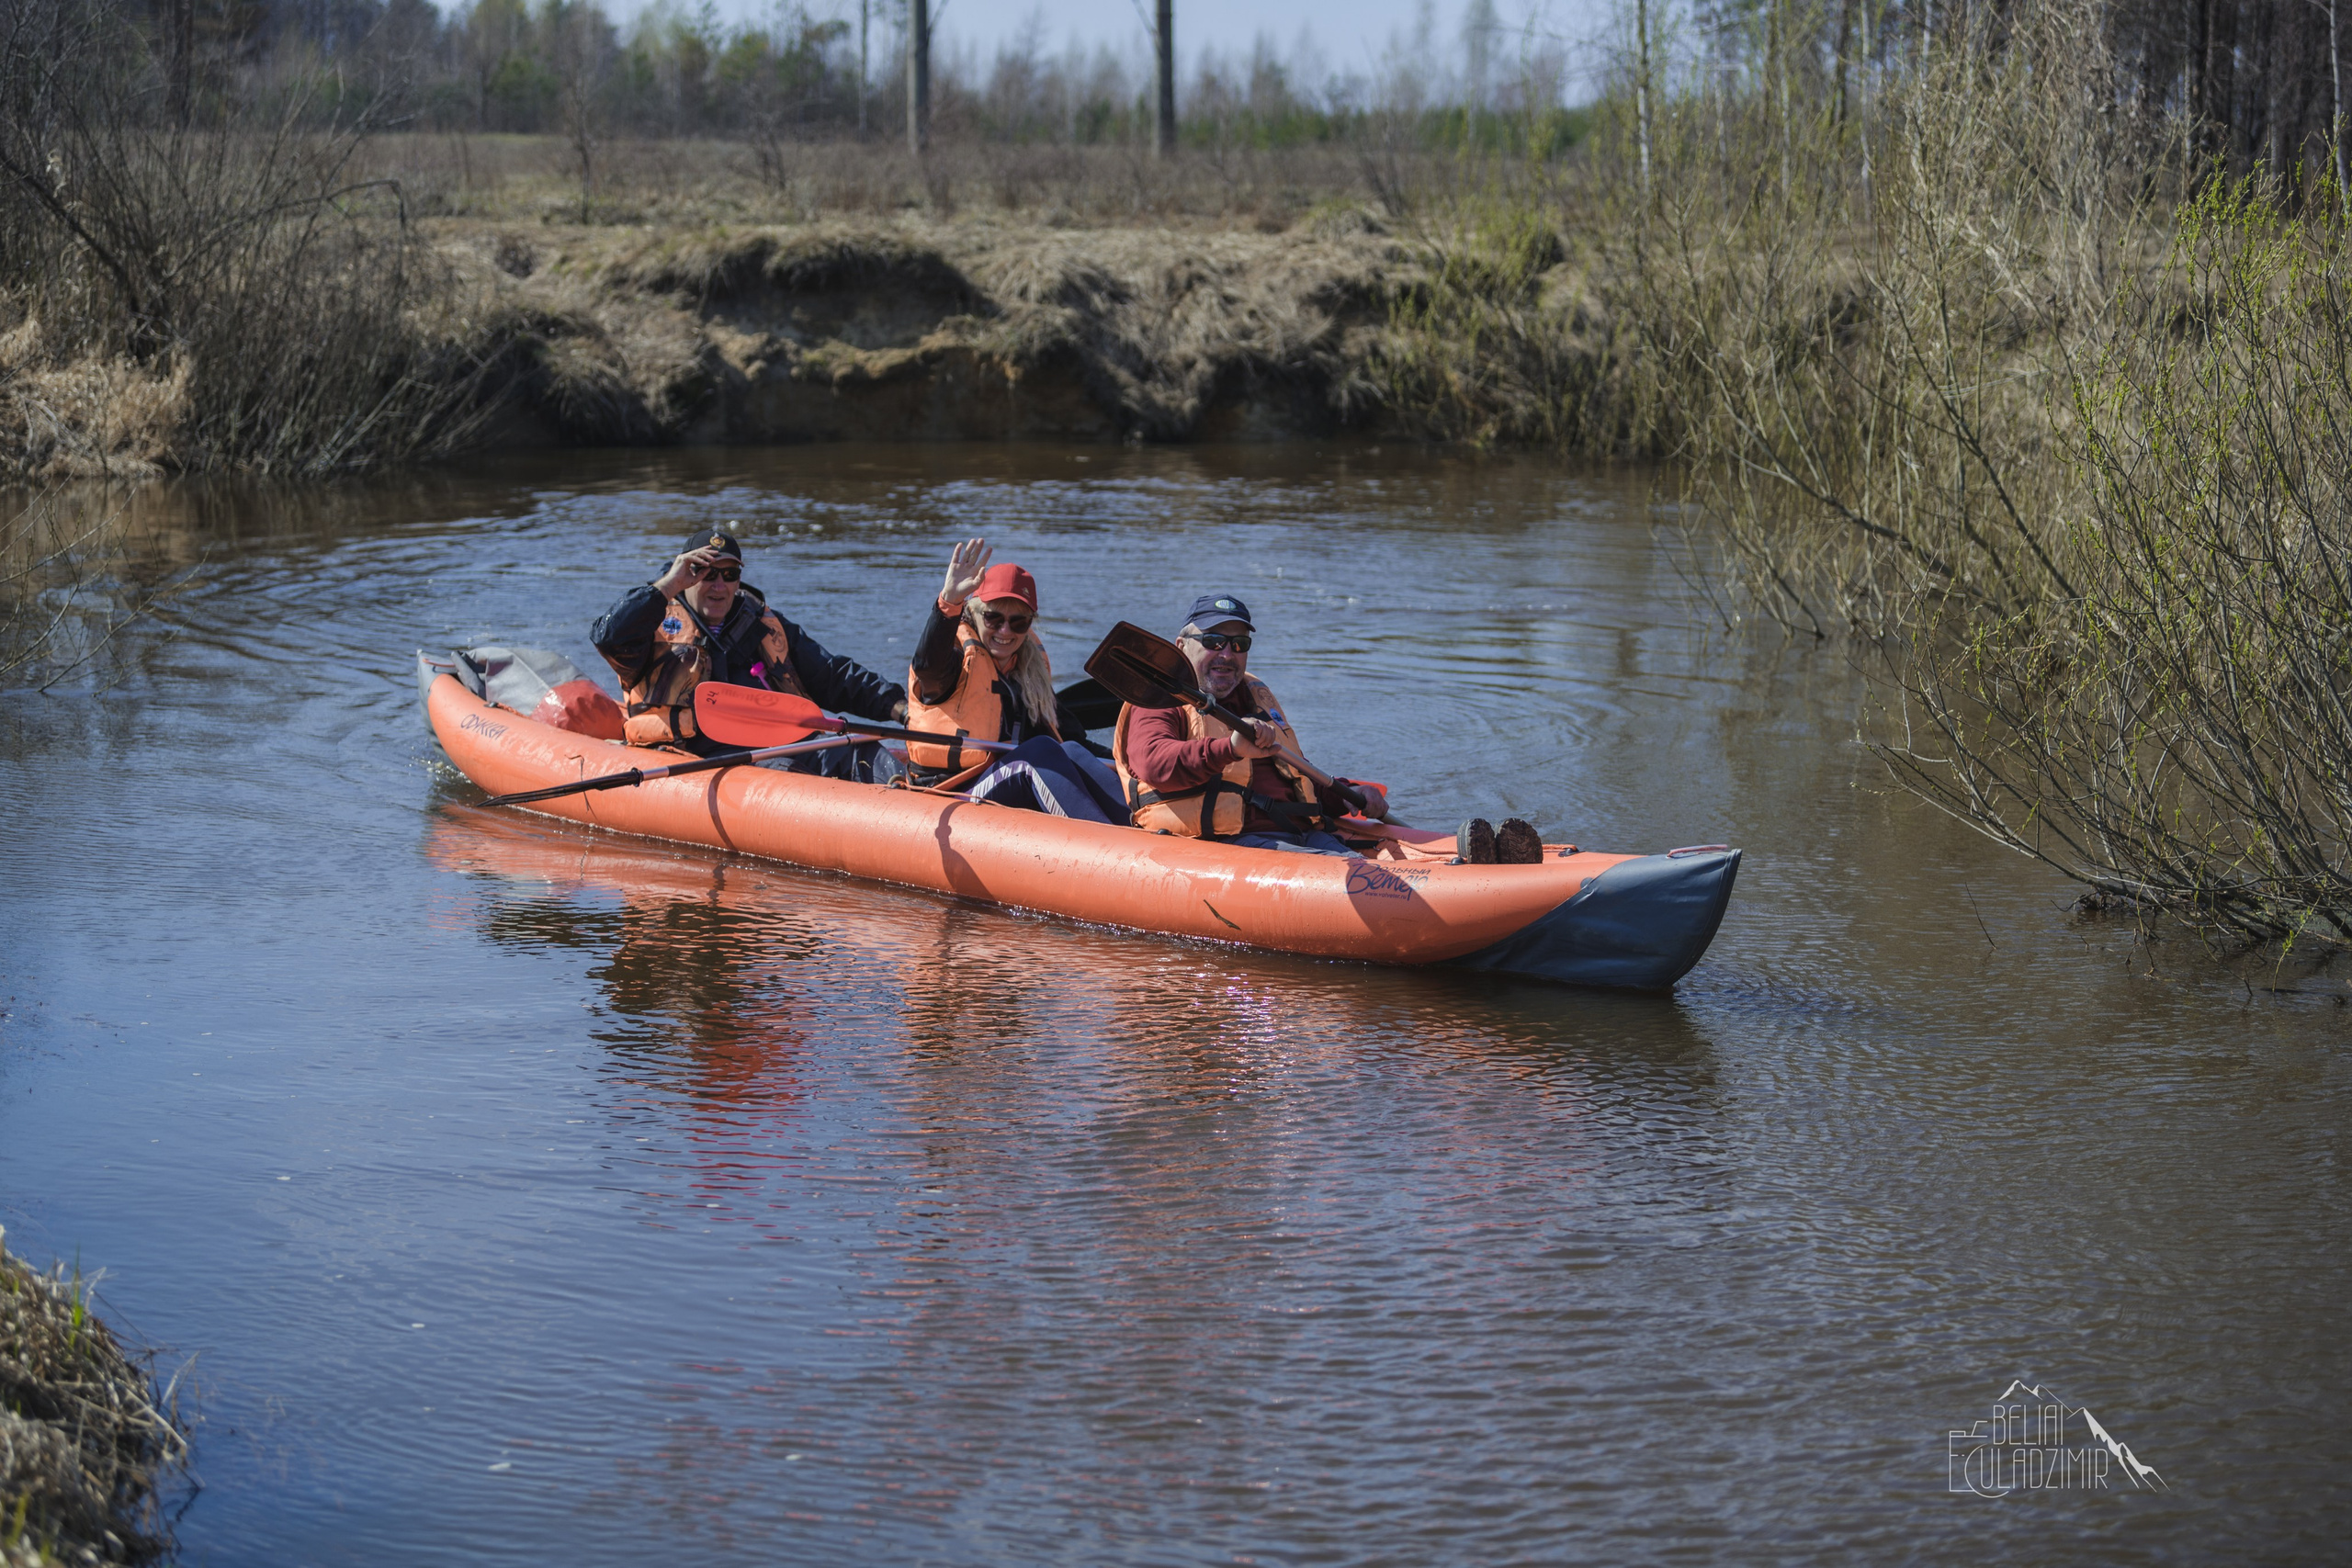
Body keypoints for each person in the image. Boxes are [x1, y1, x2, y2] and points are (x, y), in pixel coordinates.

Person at [592, 527, 906, 777]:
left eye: (729, 575)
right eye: (706, 573)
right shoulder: (652, 622)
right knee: (786, 773)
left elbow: (832, 675)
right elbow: (608, 637)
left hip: (777, 741)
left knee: (862, 754)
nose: (719, 585)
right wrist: (668, 584)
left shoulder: (761, 622)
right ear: (686, 574)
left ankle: (910, 806)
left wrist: (899, 707)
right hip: (703, 754)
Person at [1111, 593, 1390, 857]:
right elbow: (1154, 763)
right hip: (1233, 844)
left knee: (1381, 877)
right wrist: (1229, 749)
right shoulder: (1161, 699)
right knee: (1365, 881)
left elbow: (1298, 775)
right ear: (1182, 646)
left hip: (1304, 835)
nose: (1227, 654)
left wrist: (1348, 794)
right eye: (1214, 641)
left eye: (1239, 644)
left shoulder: (1256, 699)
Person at [903, 538, 1128, 822]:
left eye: (1018, 622)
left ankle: (1143, 825)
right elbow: (928, 667)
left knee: (1070, 749)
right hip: (950, 791)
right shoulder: (955, 658)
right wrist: (949, 603)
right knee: (1039, 753)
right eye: (994, 618)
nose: (1005, 631)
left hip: (1005, 777)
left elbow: (1072, 740)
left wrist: (1127, 764)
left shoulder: (1027, 674)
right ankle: (1111, 848)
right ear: (974, 612)